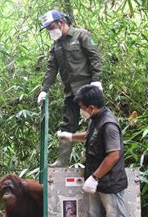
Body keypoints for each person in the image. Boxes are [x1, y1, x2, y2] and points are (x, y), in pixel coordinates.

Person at [56, 84, 128, 217]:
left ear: (91, 107)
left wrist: (95, 177)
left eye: (81, 107)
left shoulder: (109, 124)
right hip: (94, 180)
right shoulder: (95, 119)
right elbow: (90, 136)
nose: (81, 111)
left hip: (109, 181)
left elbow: (113, 155)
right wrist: (70, 137)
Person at [38, 10, 103, 167]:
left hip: (88, 90)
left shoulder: (81, 35)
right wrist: (44, 89)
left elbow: (96, 58)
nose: (50, 31)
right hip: (70, 92)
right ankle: (62, 161)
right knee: (67, 125)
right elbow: (51, 68)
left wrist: (96, 81)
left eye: (51, 26)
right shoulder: (56, 45)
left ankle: (99, 161)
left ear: (61, 22)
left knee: (98, 125)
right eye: (47, 29)